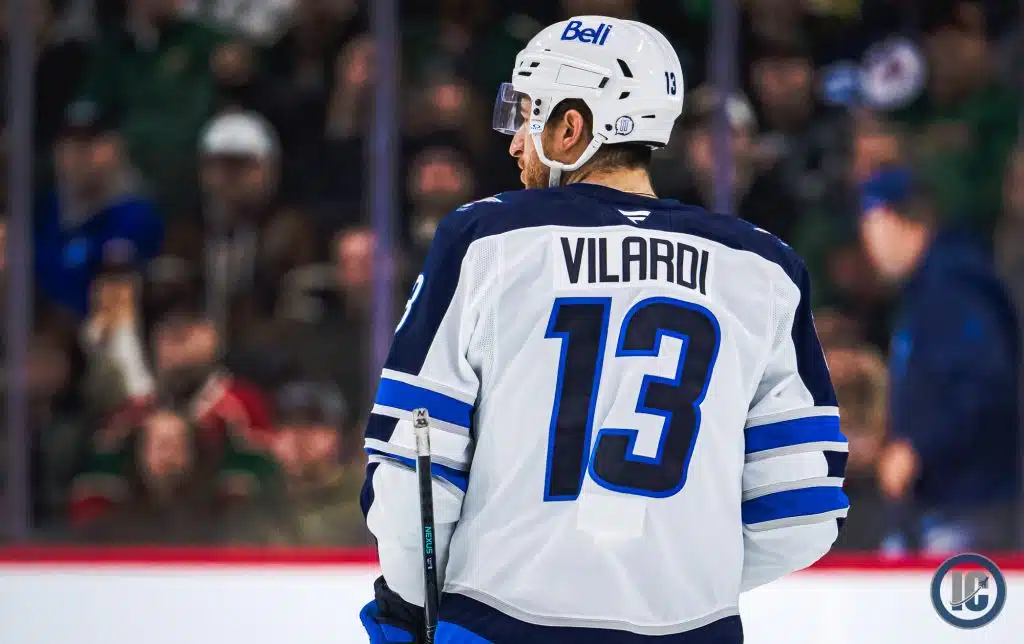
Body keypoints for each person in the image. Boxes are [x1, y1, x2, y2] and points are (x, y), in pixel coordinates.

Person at [360, 16, 847, 644]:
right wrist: (676, 585)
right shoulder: (762, 268)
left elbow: (414, 471)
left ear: (571, 128)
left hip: (501, 624)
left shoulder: (488, 239)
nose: (515, 144)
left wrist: (409, 608)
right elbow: (802, 509)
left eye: (528, 116)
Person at [859, 166, 1020, 553]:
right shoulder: (927, 290)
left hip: (967, 504)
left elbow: (984, 384)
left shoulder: (953, 288)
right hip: (939, 503)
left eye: (872, 227)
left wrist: (918, 448)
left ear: (896, 221)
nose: (870, 245)